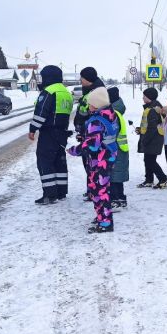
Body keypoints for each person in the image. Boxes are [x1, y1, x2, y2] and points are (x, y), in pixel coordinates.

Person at [67, 87, 118, 233]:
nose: (88, 106)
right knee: (100, 189)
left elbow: (93, 145)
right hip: (109, 155)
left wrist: (74, 150)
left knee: (99, 191)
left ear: (97, 104)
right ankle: (102, 217)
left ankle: (105, 223)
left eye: (90, 104)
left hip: (100, 159)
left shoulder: (96, 121)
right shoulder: (110, 114)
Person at [29, 65, 73, 204]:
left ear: (48, 77)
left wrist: (33, 129)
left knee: (45, 161)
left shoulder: (49, 91)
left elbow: (41, 113)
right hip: (62, 133)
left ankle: (49, 194)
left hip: (48, 133)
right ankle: (61, 192)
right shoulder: (66, 92)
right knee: (59, 162)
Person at [75, 67, 105, 202]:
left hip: (92, 134)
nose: (80, 80)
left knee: (92, 164)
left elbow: (92, 114)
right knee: (88, 164)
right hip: (86, 132)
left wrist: (84, 129)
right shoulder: (90, 90)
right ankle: (91, 190)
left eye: (82, 78)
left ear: (88, 79)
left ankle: (95, 192)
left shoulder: (96, 93)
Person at [136, 87, 167, 189]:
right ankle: (149, 180)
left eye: (144, 96)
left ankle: (163, 179)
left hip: (153, 139)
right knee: (148, 159)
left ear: (149, 97)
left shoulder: (153, 109)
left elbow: (152, 128)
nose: (143, 98)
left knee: (150, 160)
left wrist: (145, 140)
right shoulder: (152, 107)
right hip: (152, 138)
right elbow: (148, 125)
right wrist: (141, 130)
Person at [107, 87, 129, 210]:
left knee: (114, 176)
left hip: (116, 149)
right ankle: (119, 198)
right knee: (116, 176)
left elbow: (111, 132)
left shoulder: (113, 113)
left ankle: (117, 199)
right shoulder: (116, 111)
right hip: (119, 148)